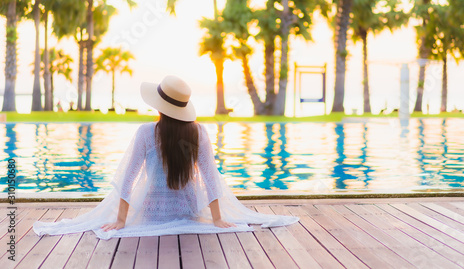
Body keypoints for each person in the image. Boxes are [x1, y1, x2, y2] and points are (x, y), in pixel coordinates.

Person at [33, 75, 298, 239]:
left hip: (152, 213)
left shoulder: (147, 132)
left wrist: (121, 220)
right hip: (190, 211)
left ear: (159, 106)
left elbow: (128, 178)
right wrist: (216, 219)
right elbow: (210, 178)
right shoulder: (199, 133)